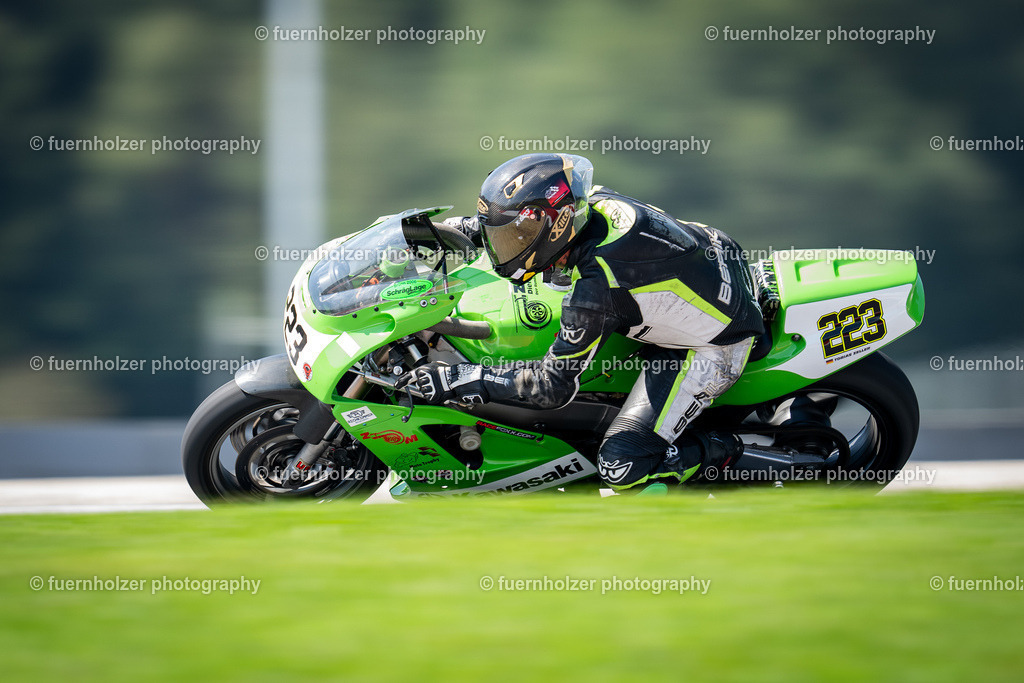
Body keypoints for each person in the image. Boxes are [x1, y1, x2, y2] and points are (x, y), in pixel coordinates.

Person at [399, 153, 764, 491]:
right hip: (716, 253)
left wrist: (461, 378)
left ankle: (722, 450)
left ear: (557, 226)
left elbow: (550, 388)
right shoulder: (592, 202)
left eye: (514, 235)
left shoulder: (597, 286)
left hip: (713, 345)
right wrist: (466, 230)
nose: (505, 244)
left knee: (623, 466)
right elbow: (530, 225)